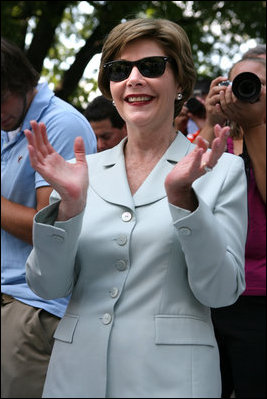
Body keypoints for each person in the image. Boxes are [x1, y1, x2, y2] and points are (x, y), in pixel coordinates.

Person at [24, 18, 248, 398]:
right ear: (109, 86)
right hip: (74, 379)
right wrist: (69, 209)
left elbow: (221, 291)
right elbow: (47, 285)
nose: (134, 79)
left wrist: (185, 200)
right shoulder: (83, 172)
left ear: (180, 82)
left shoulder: (221, 169)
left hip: (173, 382)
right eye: (119, 69)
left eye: (152, 67)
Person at [1, 37, 97, 398]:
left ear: (22, 82)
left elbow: (52, 231)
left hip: (32, 307)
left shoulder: (60, 123)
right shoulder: (12, 122)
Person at [200, 57, 266, 397]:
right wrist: (212, 122)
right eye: (237, 83)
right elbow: (189, 190)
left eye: (256, 84)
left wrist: (255, 127)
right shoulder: (219, 139)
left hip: (259, 297)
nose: (245, 92)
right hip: (210, 292)